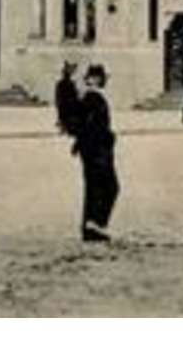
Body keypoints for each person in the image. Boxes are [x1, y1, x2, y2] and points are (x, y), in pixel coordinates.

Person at [71, 63, 119, 242]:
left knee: (93, 187)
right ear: (97, 79)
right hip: (97, 148)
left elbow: (82, 124)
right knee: (110, 187)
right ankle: (96, 224)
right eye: (102, 77)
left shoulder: (87, 96)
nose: (104, 80)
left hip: (90, 148)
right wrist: (106, 141)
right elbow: (93, 126)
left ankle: (89, 226)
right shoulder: (93, 97)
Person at [54, 61, 82, 135]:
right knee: (66, 117)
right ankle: (65, 128)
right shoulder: (68, 84)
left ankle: (65, 128)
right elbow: (74, 95)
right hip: (66, 105)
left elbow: (59, 96)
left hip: (65, 105)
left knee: (65, 117)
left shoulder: (65, 84)